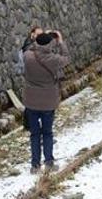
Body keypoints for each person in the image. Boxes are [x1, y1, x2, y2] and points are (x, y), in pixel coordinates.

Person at [23, 30, 70, 174]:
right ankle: (49, 162)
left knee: (35, 134)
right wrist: (60, 41)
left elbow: (29, 47)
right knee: (47, 133)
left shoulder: (27, 56)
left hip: (31, 101)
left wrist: (38, 39)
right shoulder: (53, 59)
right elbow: (67, 58)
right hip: (48, 101)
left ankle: (35, 165)